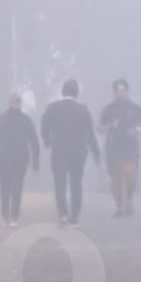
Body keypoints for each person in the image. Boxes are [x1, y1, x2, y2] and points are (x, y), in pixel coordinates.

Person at [40, 79, 100, 227]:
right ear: (77, 93)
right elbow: (90, 134)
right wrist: (96, 153)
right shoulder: (82, 110)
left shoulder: (53, 107)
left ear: (63, 91)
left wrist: (47, 140)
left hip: (59, 150)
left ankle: (63, 214)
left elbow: (44, 124)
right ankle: (74, 216)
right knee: (76, 183)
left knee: (59, 183)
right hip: (78, 152)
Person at [0, 92, 40, 228]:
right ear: (10, 103)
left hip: (19, 160)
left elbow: (34, 141)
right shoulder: (3, 120)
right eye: (15, 102)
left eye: (18, 102)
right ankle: (5, 216)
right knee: (5, 187)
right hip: (4, 159)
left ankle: (14, 216)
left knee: (16, 188)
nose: (16, 105)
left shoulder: (23, 120)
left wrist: (35, 161)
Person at [98, 78, 141, 217]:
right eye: (118, 90)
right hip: (113, 150)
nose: (120, 93)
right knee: (116, 181)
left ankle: (129, 200)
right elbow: (100, 127)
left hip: (130, 150)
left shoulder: (135, 109)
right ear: (114, 92)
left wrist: (136, 131)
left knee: (131, 179)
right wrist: (110, 126)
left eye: (123, 90)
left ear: (127, 91)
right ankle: (119, 207)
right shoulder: (108, 109)